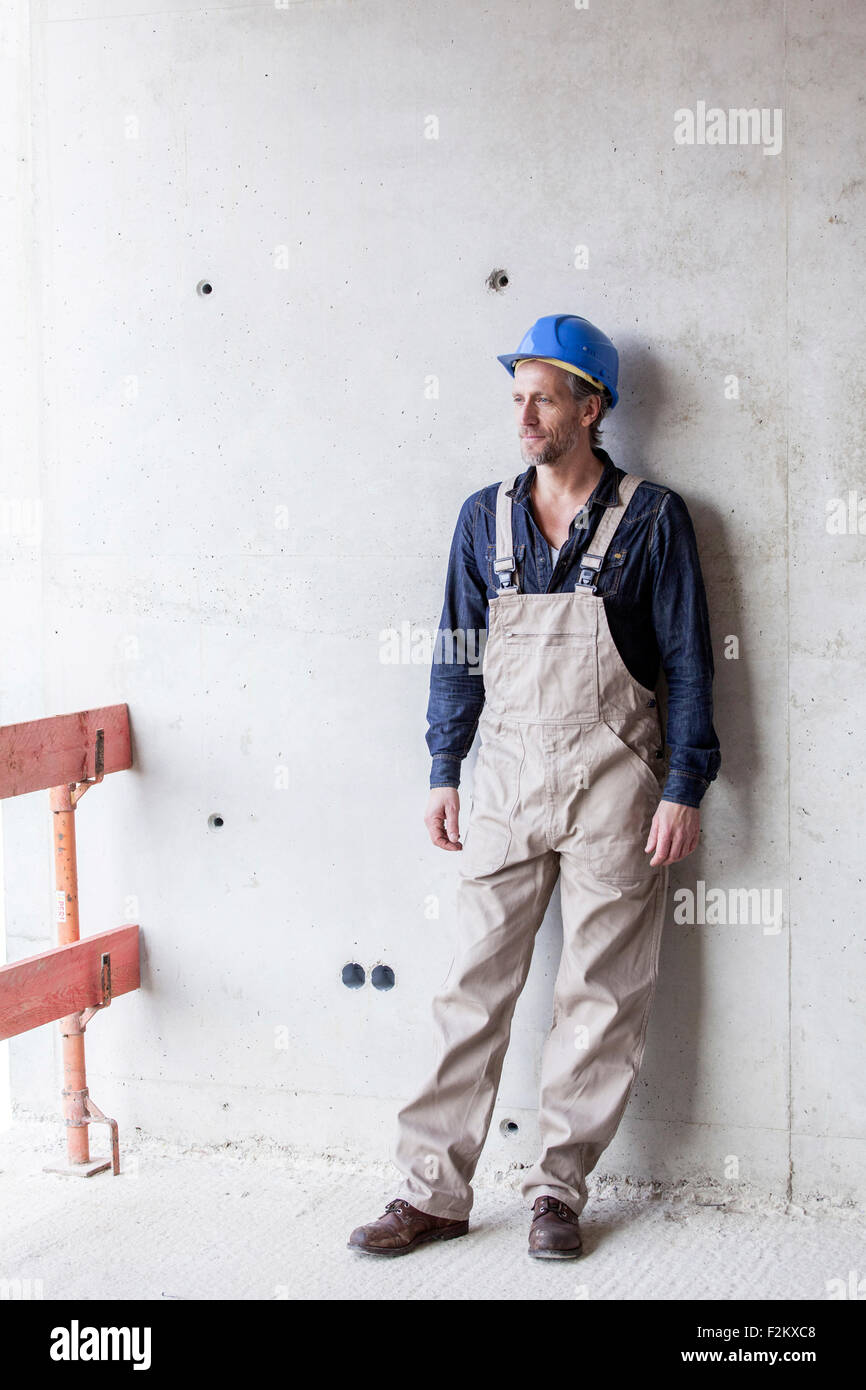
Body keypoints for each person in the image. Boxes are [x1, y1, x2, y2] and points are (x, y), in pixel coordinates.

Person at [348, 313, 721, 1259]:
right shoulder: (485, 517)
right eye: (516, 398)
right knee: (471, 989)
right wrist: (444, 768)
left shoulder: (654, 518)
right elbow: (457, 650)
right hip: (506, 784)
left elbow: (688, 660)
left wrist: (686, 784)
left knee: (601, 996)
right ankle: (432, 1192)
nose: (523, 417)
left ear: (590, 409)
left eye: (542, 400)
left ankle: (558, 1191)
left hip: (618, 789)